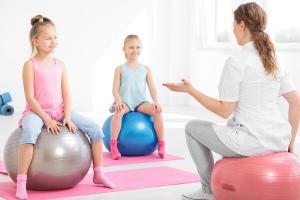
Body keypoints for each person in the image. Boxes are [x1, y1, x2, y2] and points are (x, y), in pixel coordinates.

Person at [163, 2, 300, 200]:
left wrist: (190, 91)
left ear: (242, 25)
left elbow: (224, 110)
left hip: (249, 141)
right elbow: (296, 102)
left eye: (234, 24)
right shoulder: (274, 60)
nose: (233, 29)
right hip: (277, 139)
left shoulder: (237, 61)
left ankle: (207, 190)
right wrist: (291, 142)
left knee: (192, 128)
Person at [17, 15, 115, 200]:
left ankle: (99, 173)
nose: (53, 41)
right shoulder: (29, 65)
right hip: (37, 113)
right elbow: (30, 97)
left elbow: (67, 94)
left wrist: (67, 117)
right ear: (35, 40)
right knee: (30, 132)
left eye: (55, 37)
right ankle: (22, 182)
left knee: (95, 129)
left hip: (60, 111)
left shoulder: (60, 65)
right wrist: (46, 120)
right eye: (48, 38)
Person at [110, 34, 165, 160]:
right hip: (125, 102)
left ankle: (161, 144)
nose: (135, 50)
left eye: (137, 47)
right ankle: (114, 145)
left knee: (157, 112)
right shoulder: (120, 69)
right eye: (131, 48)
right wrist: (118, 101)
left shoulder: (145, 69)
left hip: (140, 102)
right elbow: (115, 88)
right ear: (124, 49)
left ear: (141, 48)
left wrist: (156, 102)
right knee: (117, 114)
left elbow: (152, 88)